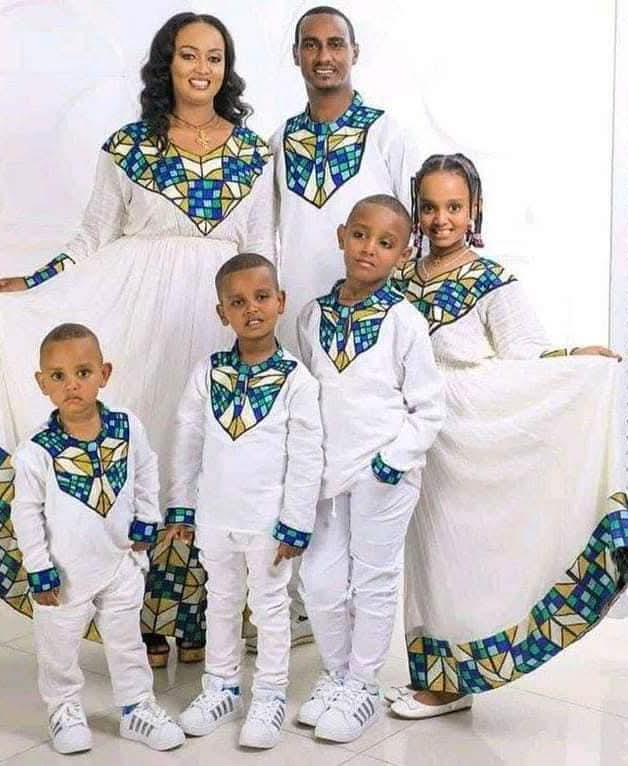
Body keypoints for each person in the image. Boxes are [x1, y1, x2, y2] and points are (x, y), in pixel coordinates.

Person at [0, 12, 275, 669]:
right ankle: (145, 620)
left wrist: (262, 323)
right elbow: (92, 236)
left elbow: (260, 247)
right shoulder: (128, 146)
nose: (202, 68)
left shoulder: (254, 153)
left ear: (227, 68)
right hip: (140, 317)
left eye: (214, 57)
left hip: (214, 317)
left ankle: (200, 616)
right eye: (189, 55)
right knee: (146, 454)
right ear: (167, 64)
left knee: (206, 460)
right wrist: (37, 283)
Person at [386, 153, 628, 719]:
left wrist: (575, 359)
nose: (440, 219)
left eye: (454, 206)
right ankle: (432, 676)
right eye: (429, 207)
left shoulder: (492, 281)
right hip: (414, 435)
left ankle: (452, 684)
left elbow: (524, 354)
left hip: (466, 436)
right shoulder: (399, 277)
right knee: (424, 558)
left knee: (457, 556)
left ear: (475, 209)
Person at [256, 4, 419, 652]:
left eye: (335, 44)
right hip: (303, 323)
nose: (324, 56)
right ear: (296, 54)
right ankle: (305, 606)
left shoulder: (386, 132)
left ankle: (366, 622)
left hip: (375, 327)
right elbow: (263, 232)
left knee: (366, 465)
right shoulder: (279, 140)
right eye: (311, 44)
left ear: (354, 52)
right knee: (302, 451)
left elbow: (412, 228)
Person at [295, 195, 445, 743]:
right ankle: (336, 675)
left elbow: (429, 407)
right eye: (360, 235)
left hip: (384, 473)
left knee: (373, 580)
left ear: (403, 255)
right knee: (319, 580)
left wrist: (391, 461)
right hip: (326, 473)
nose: (369, 249)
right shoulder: (311, 315)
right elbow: (307, 393)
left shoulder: (404, 320)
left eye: (386, 243)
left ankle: (362, 684)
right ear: (342, 235)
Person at [9, 323, 184, 755]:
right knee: (59, 645)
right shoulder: (35, 451)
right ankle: (64, 708)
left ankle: (137, 707)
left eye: (83, 372)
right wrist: (39, 567)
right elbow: (26, 513)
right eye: (58, 376)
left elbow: (146, 468)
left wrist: (147, 518)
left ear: (104, 374)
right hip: (64, 574)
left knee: (127, 640)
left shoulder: (127, 427)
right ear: (42, 383)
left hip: (121, 561)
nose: (72, 384)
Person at [171, 253, 323, 749]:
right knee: (220, 600)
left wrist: (295, 523)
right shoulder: (207, 372)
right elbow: (188, 438)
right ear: (222, 313)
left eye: (261, 297)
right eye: (237, 302)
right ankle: (221, 687)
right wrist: (182, 505)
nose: (251, 308)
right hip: (215, 516)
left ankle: (270, 694)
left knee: (270, 607)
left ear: (280, 301)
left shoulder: (297, 380)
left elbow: (307, 457)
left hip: (268, 524)